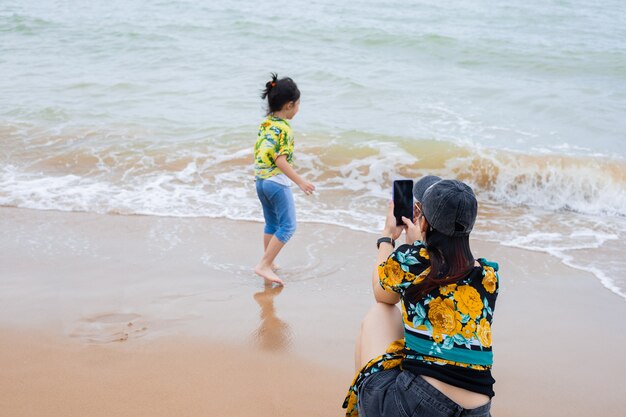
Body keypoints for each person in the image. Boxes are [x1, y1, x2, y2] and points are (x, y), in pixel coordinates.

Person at [343, 178, 500, 417]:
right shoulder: (487, 277)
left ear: (423, 221)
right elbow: (444, 277)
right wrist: (418, 244)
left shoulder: (414, 259)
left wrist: (387, 237)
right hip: (479, 410)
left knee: (380, 313)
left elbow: (382, 293)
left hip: (421, 405)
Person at [253, 73, 315, 285]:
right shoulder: (285, 129)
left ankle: (268, 263)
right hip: (276, 183)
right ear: (289, 105)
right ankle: (264, 264)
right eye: (297, 105)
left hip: (261, 181)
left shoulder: (267, 124)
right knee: (288, 226)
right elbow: (280, 160)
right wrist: (300, 181)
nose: (298, 109)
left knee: (272, 223)